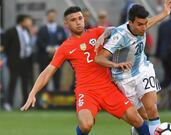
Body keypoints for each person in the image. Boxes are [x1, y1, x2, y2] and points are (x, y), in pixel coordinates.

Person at [20, 6, 150, 135]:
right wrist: (33, 92)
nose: (78, 22)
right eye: (73, 20)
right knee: (86, 125)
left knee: (137, 119)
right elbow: (48, 71)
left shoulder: (96, 32)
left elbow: (117, 30)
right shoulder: (65, 47)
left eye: (80, 18)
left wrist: (105, 33)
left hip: (108, 87)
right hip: (86, 91)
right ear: (66, 24)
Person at [95, 1, 171, 135]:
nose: (144, 28)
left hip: (143, 70)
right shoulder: (120, 36)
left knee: (152, 109)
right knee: (142, 116)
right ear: (130, 22)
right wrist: (116, 65)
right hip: (124, 78)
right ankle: (137, 131)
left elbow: (152, 21)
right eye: (140, 24)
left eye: (145, 24)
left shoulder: (142, 25)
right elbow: (99, 58)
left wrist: (164, 13)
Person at [2, 14, 33, 111]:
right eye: (28, 21)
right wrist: (11, 57)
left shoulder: (27, 31)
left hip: (26, 61)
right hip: (14, 61)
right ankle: (8, 103)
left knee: (25, 83)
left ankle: (25, 104)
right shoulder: (10, 31)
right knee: (13, 82)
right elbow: (4, 46)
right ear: (22, 21)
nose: (29, 23)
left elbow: (28, 45)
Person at [37, 9, 67, 91]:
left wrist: (56, 48)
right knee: (44, 80)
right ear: (47, 17)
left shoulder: (60, 29)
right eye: (50, 16)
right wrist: (47, 48)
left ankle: (56, 100)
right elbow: (39, 42)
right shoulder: (42, 29)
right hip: (44, 58)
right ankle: (43, 102)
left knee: (57, 79)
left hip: (57, 58)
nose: (51, 17)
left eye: (53, 16)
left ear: (55, 17)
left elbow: (64, 41)